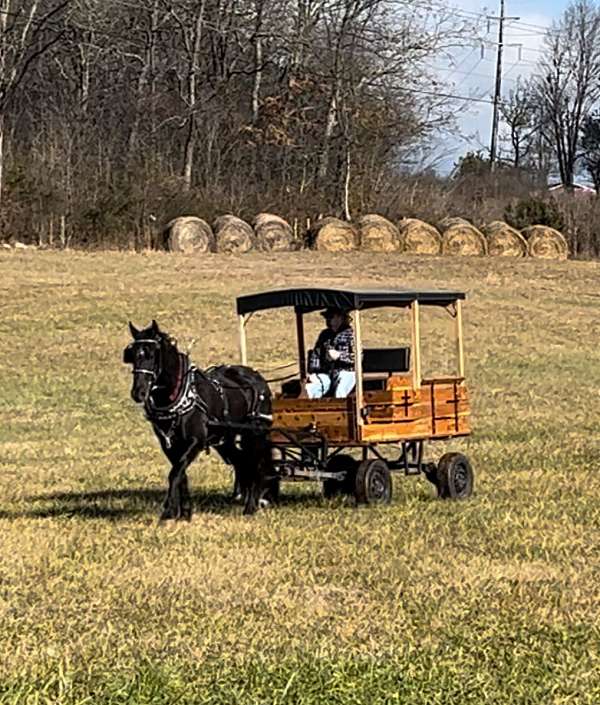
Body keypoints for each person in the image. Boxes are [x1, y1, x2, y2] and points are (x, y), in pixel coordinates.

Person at [305, 307, 356, 399]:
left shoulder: (351, 334)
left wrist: (339, 356)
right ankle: (311, 408)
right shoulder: (324, 335)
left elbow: (357, 357)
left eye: (331, 317)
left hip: (347, 372)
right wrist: (314, 371)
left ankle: (340, 409)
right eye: (327, 318)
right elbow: (316, 354)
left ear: (340, 318)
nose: (328, 320)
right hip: (327, 373)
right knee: (313, 387)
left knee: (340, 390)